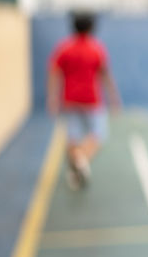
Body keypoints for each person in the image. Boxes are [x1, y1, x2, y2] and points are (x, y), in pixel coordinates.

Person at [46, 11, 121, 190]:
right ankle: (80, 160)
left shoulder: (64, 48)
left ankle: (75, 169)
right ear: (91, 28)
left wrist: (52, 98)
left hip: (70, 100)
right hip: (91, 100)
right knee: (99, 135)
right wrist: (114, 98)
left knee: (73, 137)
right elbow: (106, 76)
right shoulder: (96, 48)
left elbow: (53, 73)